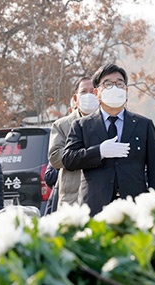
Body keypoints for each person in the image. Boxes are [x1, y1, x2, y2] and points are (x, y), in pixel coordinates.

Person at [62, 63, 155, 215]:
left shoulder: (144, 125)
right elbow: (68, 159)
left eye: (119, 84)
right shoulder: (82, 125)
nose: (114, 88)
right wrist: (99, 152)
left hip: (134, 207)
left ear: (126, 90)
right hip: (95, 206)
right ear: (97, 92)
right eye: (108, 84)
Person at [48, 77, 99, 208]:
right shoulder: (62, 125)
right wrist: (87, 155)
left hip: (100, 196)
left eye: (92, 91)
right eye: (83, 92)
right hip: (72, 199)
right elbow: (54, 158)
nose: (88, 96)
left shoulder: (106, 123)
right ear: (76, 99)